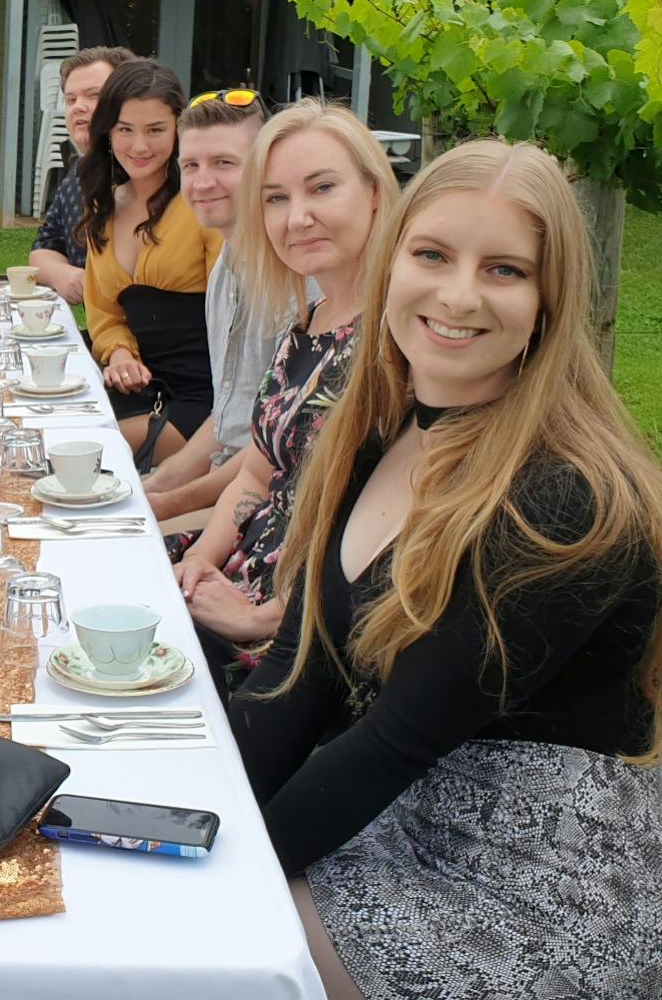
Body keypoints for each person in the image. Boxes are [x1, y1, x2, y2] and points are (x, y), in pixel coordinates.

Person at [231, 139, 662, 1000]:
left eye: (504, 270)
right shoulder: (384, 435)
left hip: (537, 889)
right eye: (433, 255)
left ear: (547, 302)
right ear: (391, 265)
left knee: (220, 957)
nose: (459, 295)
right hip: (411, 818)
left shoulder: (563, 501)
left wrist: (221, 878)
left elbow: (395, 744)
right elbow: (299, 671)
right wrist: (192, 819)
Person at [171, 99, 396, 694]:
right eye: (276, 198)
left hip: (309, 627)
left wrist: (261, 618)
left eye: (321, 189)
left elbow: (383, 534)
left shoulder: (399, 338)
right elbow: (254, 473)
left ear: (375, 192)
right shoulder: (308, 319)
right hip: (246, 570)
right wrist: (204, 560)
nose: (298, 218)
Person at [141, 88, 277, 527]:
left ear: (265, 170)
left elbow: (274, 452)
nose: (202, 183)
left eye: (224, 163)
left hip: (269, 504)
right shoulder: (227, 265)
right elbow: (228, 420)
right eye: (190, 166)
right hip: (224, 481)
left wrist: (167, 503)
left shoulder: (297, 280)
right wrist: (156, 483)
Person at [80, 58, 223, 456]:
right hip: (140, 392)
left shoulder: (204, 205)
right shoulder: (103, 207)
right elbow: (105, 315)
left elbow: (238, 322)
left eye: (156, 130)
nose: (139, 146)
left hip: (205, 400)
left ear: (180, 130)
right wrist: (121, 353)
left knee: (84, 451)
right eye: (125, 129)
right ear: (107, 131)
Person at [28, 46, 135, 304]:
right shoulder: (79, 173)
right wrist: (65, 275)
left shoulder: (141, 173)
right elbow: (42, 250)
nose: (79, 107)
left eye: (94, 95)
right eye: (71, 99)